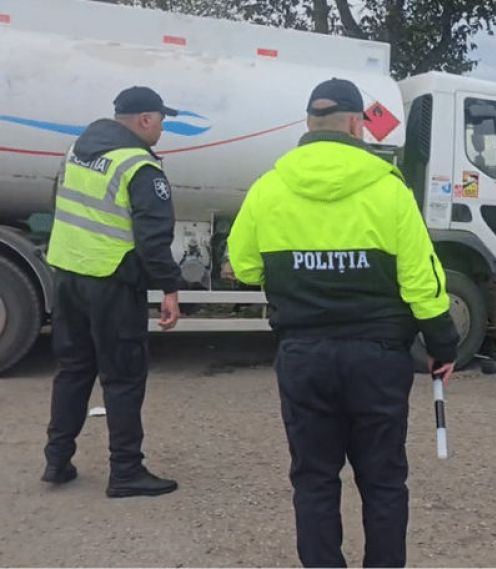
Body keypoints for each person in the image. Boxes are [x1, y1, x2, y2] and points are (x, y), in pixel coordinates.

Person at [228, 78, 459, 568]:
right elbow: (421, 280)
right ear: (357, 124)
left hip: (304, 357)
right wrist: (443, 342)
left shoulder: (269, 187)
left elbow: (245, 266)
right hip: (377, 360)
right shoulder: (388, 189)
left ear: (309, 124)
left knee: (313, 481)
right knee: (383, 483)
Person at [42, 86, 183, 498]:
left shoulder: (77, 150)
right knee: (122, 377)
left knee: (73, 369)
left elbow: (60, 203)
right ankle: (125, 471)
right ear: (144, 120)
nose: (161, 128)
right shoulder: (139, 166)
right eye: (160, 120)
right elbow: (154, 239)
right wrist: (170, 289)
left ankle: (57, 459)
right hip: (112, 283)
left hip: (68, 273)